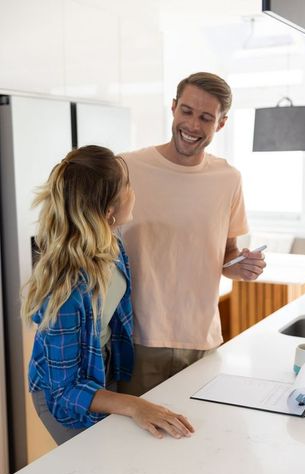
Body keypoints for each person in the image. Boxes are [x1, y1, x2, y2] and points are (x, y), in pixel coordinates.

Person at [21, 145, 194, 445]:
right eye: (128, 185)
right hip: (62, 394)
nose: (133, 191)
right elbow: (64, 391)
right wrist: (135, 405)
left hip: (100, 372)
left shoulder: (113, 246)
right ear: (110, 210)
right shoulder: (68, 288)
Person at [118, 72, 266, 397]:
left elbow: (227, 253)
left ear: (221, 123)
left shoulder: (228, 179)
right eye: (186, 111)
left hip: (202, 339)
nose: (193, 126)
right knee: (137, 444)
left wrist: (240, 265)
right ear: (173, 108)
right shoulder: (126, 169)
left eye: (205, 118)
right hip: (139, 340)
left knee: (200, 438)